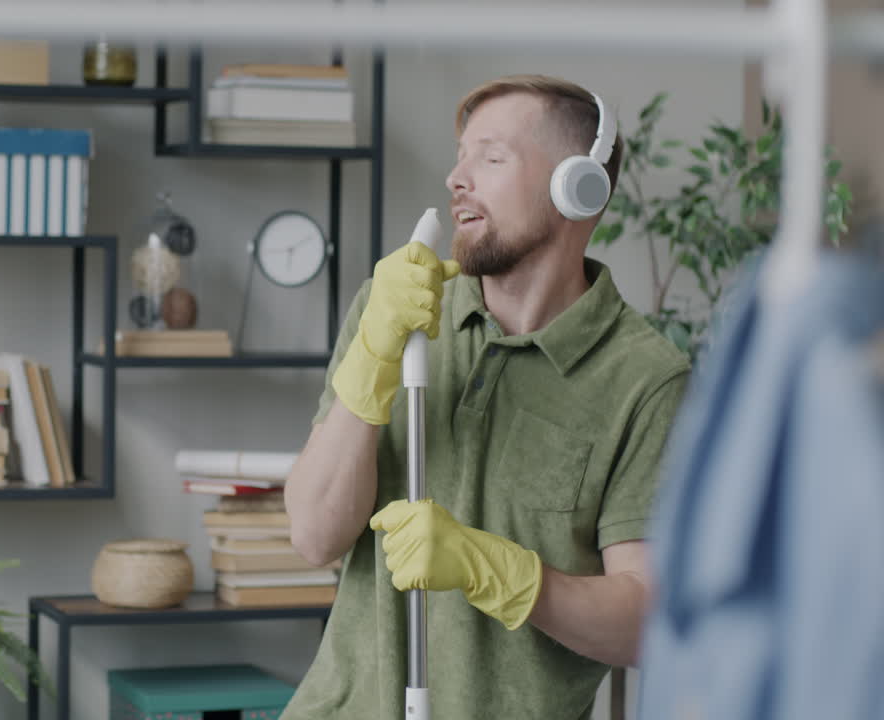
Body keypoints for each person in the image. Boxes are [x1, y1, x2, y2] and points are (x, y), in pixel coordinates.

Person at [280, 74, 691, 719]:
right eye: (460, 156)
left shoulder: (644, 377)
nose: (456, 179)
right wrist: (373, 357)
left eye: (491, 158)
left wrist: (501, 573)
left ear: (578, 187)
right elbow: (313, 535)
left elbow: (645, 625)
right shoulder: (394, 311)